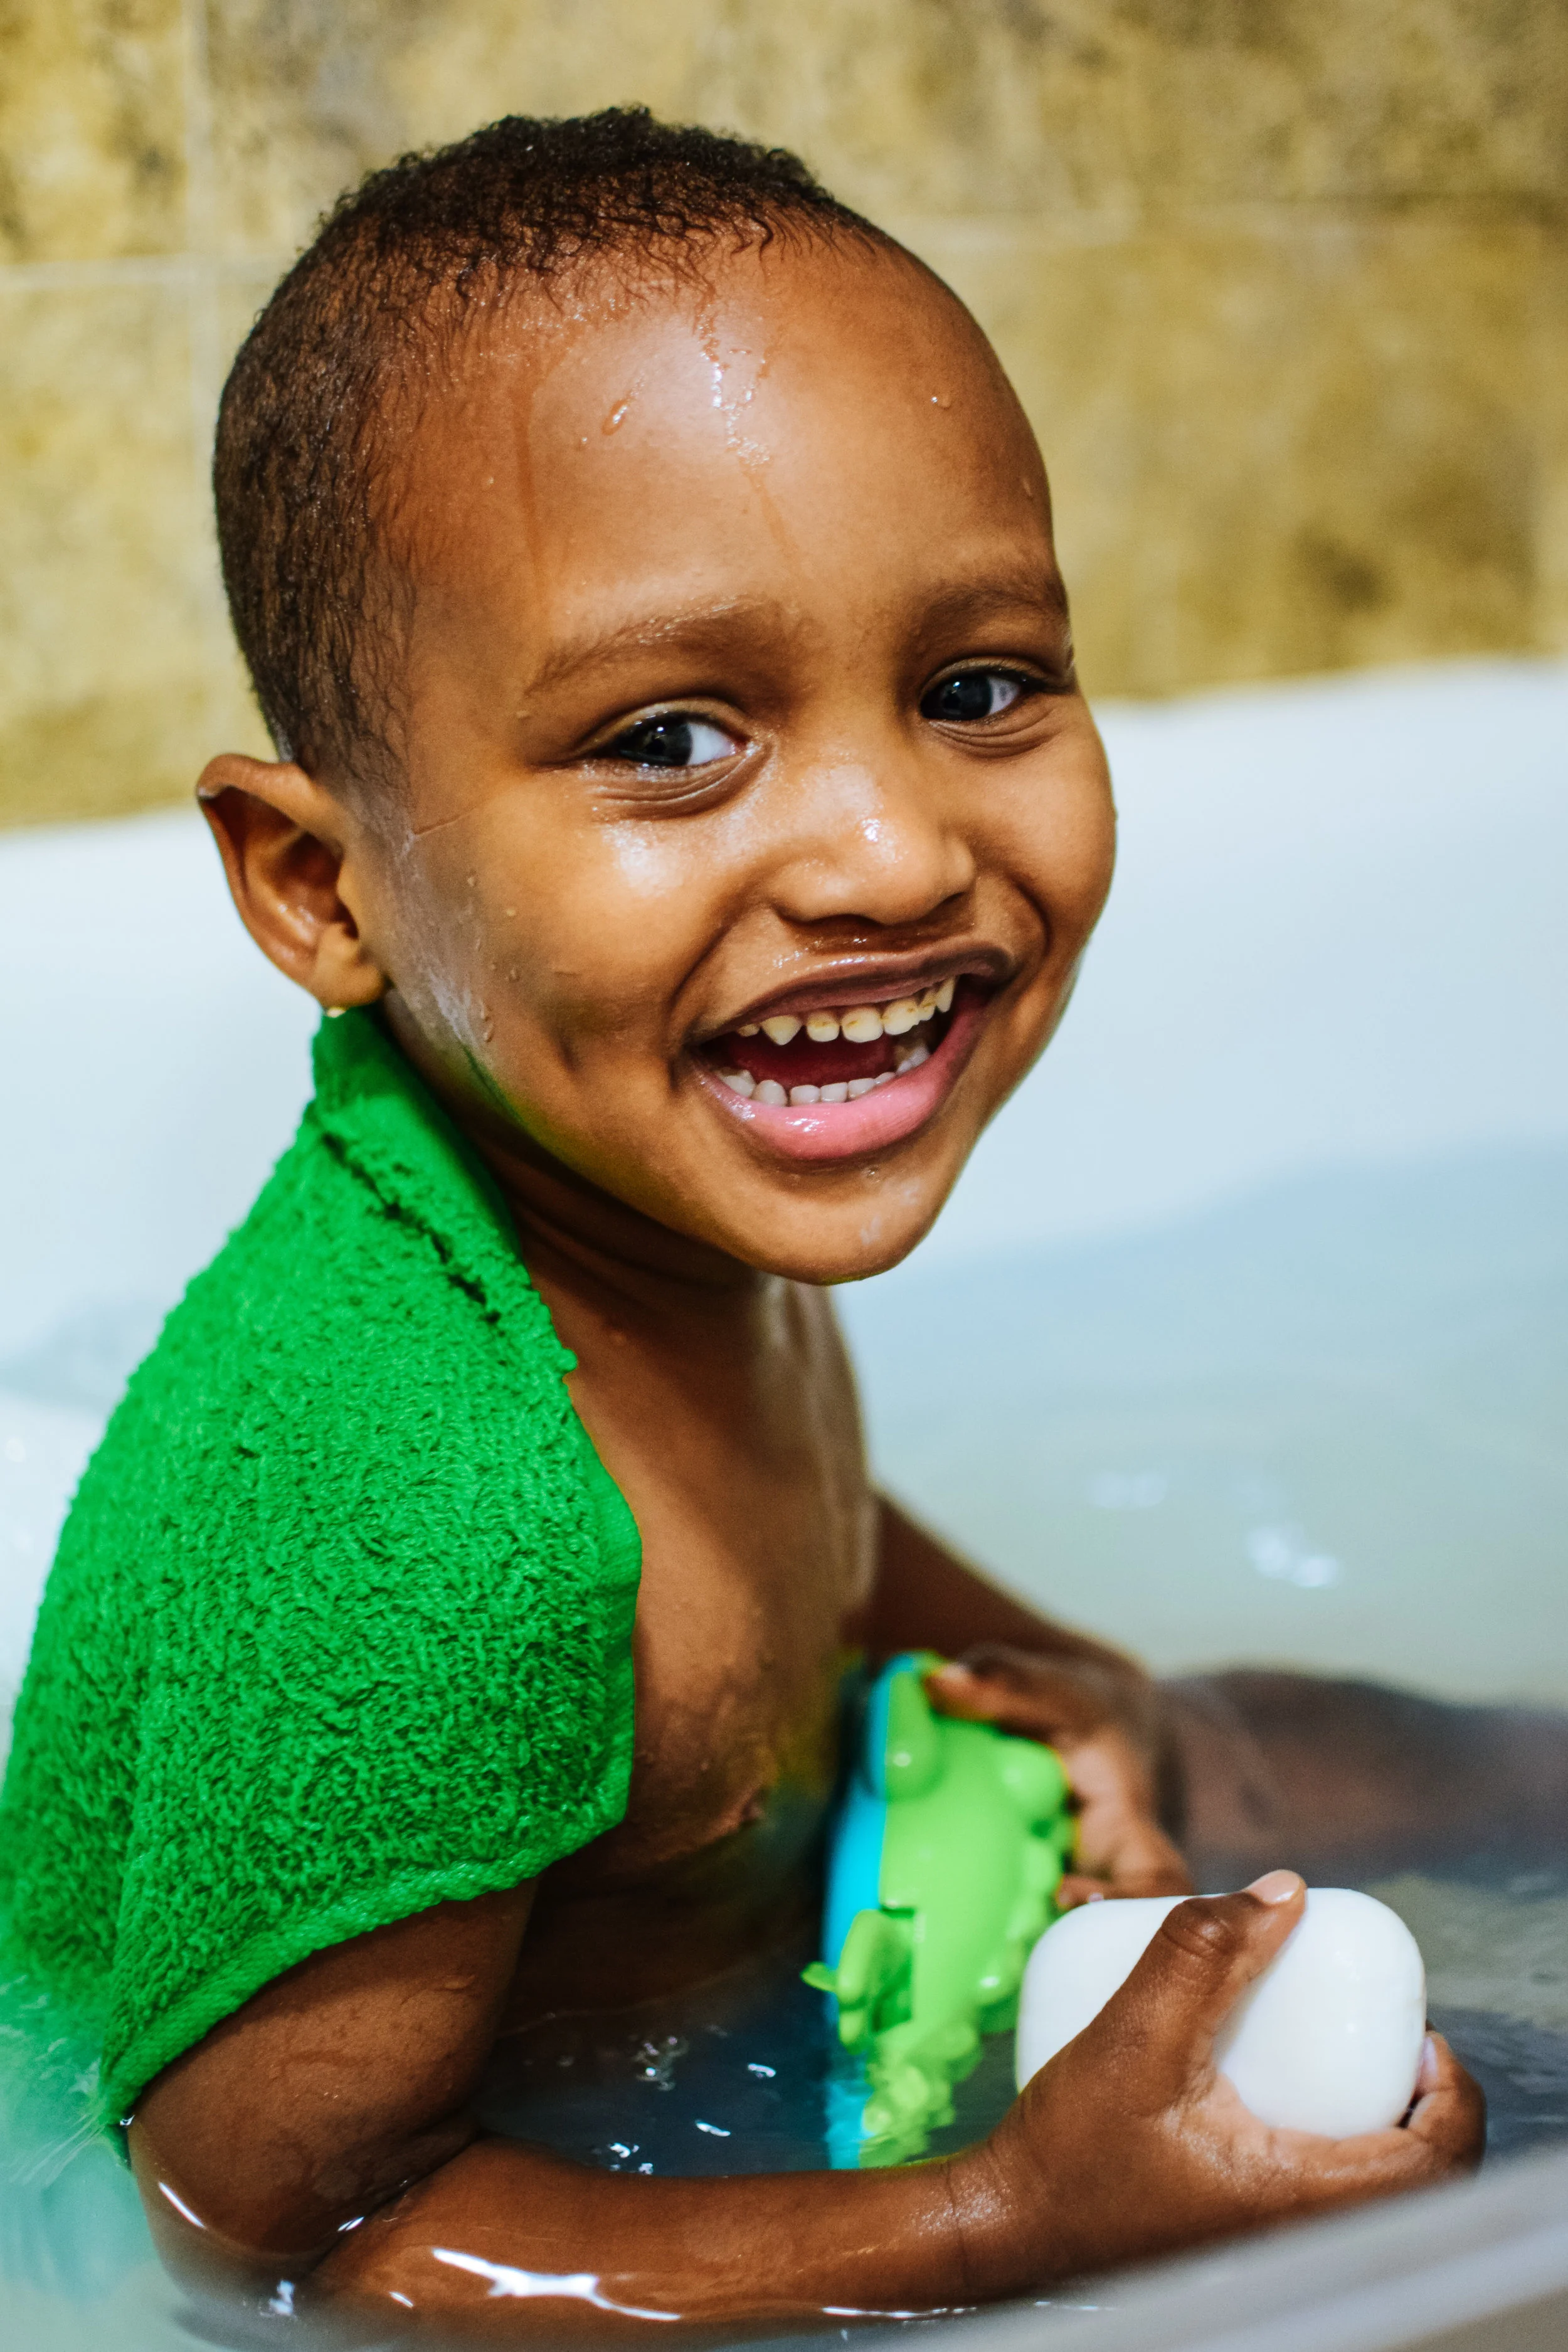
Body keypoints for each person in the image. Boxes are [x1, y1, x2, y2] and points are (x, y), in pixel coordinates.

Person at [0, 109, 1482, 2335]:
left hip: (763, 1949)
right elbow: (276, 2244)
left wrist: (1066, 1685)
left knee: (1352, 1748)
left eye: (978, 687)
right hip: (535, 2171)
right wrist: (1007, 2219)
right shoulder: (429, 1531)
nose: (889, 851)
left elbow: (789, 1541)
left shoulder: (637, 1211)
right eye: (673, 736)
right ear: (326, 887)